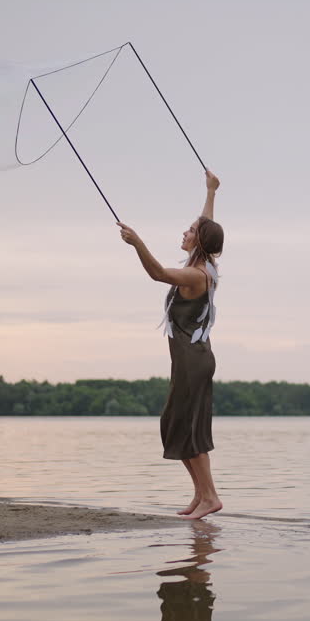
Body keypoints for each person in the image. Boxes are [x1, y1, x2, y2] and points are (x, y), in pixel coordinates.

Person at [118, 170, 224, 520]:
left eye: (190, 231)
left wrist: (137, 243)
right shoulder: (203, 262)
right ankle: (201, 495)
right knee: (181, 424)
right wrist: (210, 190)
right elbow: (208, 221)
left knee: (184, 425)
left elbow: (159, 274)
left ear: (200, 241)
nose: (185, 232)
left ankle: (210, 497)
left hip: (194, 360)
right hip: (192, 359)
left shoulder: (197, 275)